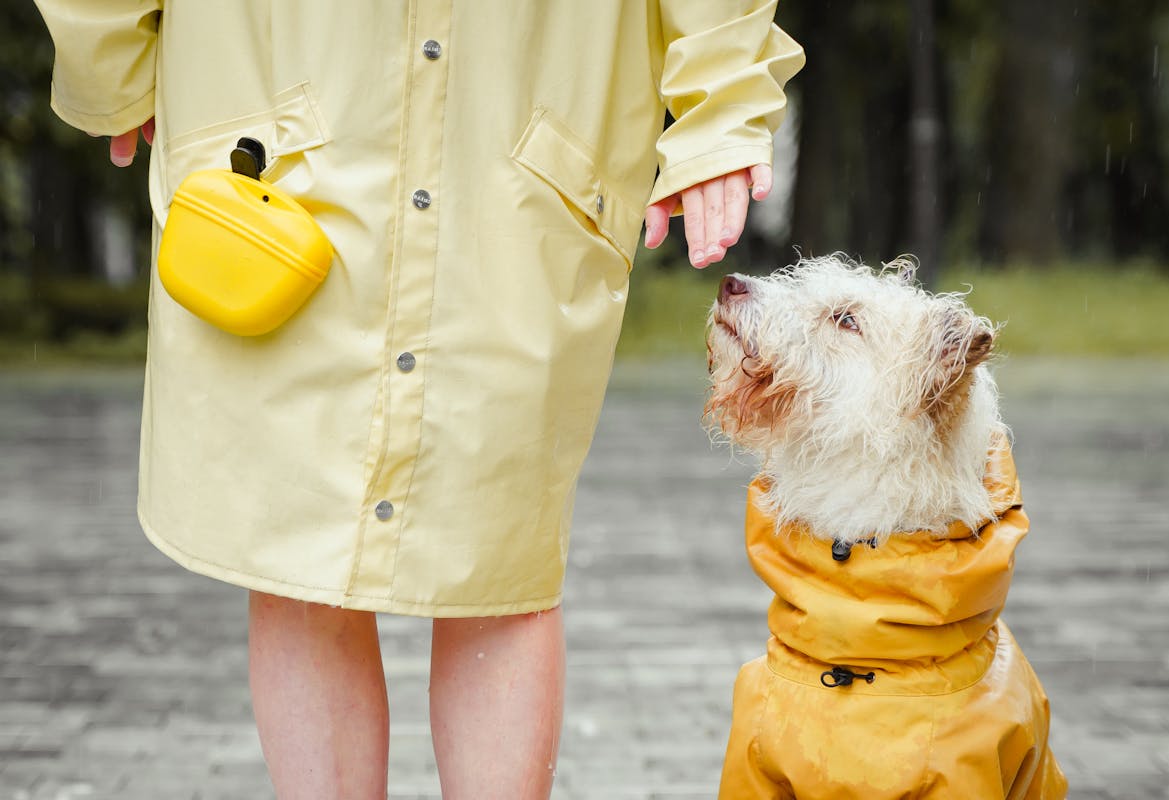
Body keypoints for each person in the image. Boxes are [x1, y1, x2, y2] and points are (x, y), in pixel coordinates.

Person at [33, 2, 804, 797]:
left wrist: (722, 101)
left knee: (502, 563)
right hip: (281, 143)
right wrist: (110, 58)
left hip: (518, 152)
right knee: (298, 554)